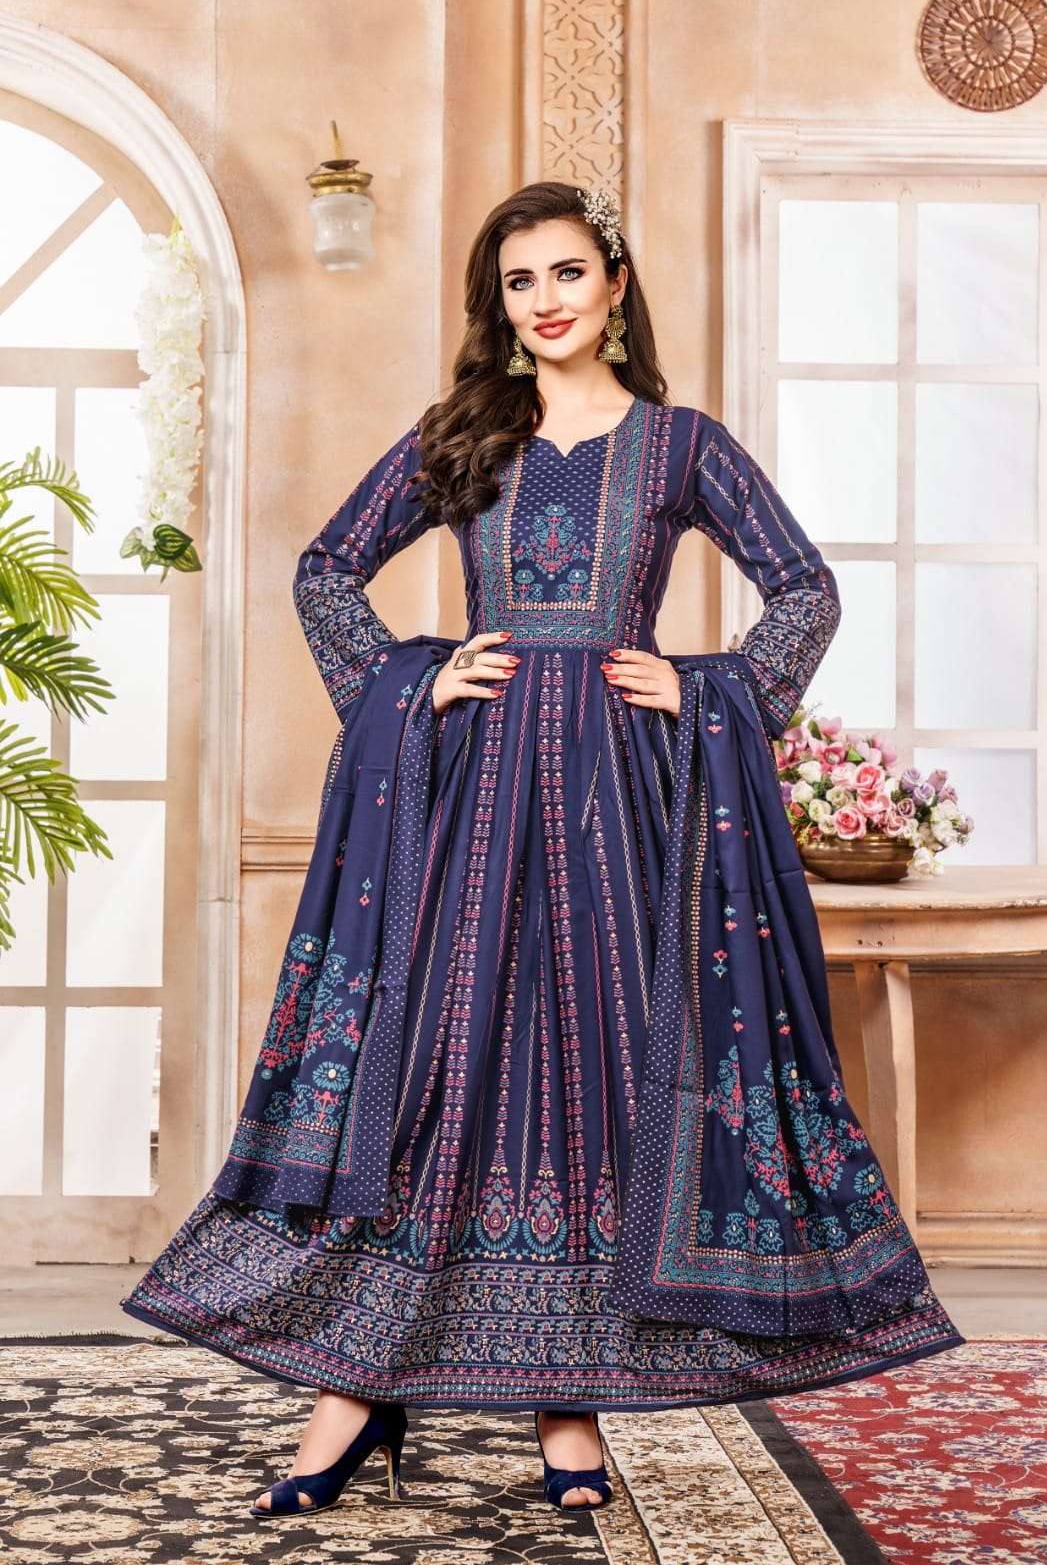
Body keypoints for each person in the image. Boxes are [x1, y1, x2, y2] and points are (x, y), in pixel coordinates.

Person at [120, 180, 965, 1518]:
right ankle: (358, 1389)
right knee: (443, 1062)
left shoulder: (680, 446)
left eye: (567, 272)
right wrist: (415, 678)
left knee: (602, 1068)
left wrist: (709, 687)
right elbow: (325, 571)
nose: (546, 300)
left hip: (626, 799)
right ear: (498, 304)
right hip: (476, 792)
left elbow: (805, 589)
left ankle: (567, 1405)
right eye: (520, 282)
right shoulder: (463, 436)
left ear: (614, 284)